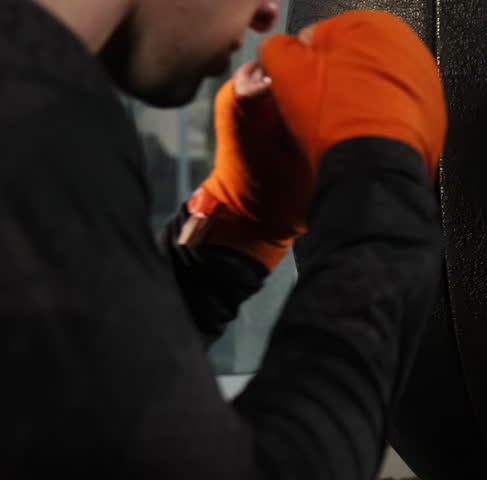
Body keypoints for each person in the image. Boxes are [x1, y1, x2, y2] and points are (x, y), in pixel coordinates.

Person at [1, 0, 447, 478]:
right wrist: (378, 178)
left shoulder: (34, 101)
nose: (266, 13)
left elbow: (80, 410)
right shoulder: (28, 134)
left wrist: (233, 228)